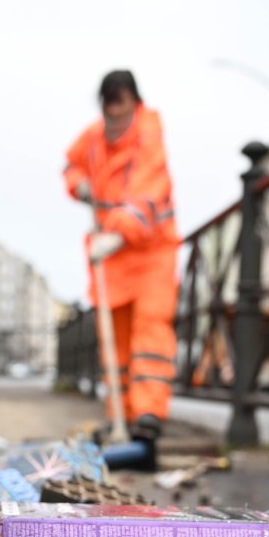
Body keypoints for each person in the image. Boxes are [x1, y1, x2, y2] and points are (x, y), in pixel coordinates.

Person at [63, 70, 179, 441]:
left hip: (149, 250)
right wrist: (78, 184)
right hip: (110, 256)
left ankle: (148, 416)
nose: (115, 119)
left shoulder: (149, 131)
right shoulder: (94, 137)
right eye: (109, 111)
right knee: (117, 341)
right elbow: (71, 164)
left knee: (150, 330)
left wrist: (119, 232)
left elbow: (149, 186)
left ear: (134, 102)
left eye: (121, 110)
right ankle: (120, 421)